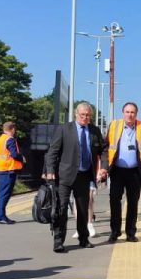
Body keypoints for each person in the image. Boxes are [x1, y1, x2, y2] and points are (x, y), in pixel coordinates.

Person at [44, 102, 105, 253]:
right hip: (65, 175)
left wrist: (103, 167)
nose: (85, 118)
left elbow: (103, 151)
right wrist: (50, 170)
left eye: (88, 115)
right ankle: (58, 241)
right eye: (83, 115)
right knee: (61, 208)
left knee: (83, 209)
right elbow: (52, 152)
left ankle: (83, 239)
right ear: (76, 114)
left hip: (84, 175)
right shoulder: (65, 129)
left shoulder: (94, 131)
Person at [104, 102, 141, 242]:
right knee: (114, 201)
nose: (130, 115)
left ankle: (130, 233)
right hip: (117, 171)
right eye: (127, 112)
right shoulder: (114, 125)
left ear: (136, 114)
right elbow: (106, 146)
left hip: (135, 172)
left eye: (132, 112)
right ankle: (114, 232)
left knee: (133, 203)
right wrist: (103, 166)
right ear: (123, 113)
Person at [0, 121, 25, 224]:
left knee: (2, 193)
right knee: (4, 194)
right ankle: (1, 217)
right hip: (8, 169)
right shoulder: (10, 140)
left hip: (0, 169)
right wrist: (22, 158)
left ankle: (0, 216)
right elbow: (14, 155)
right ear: (13, 129)